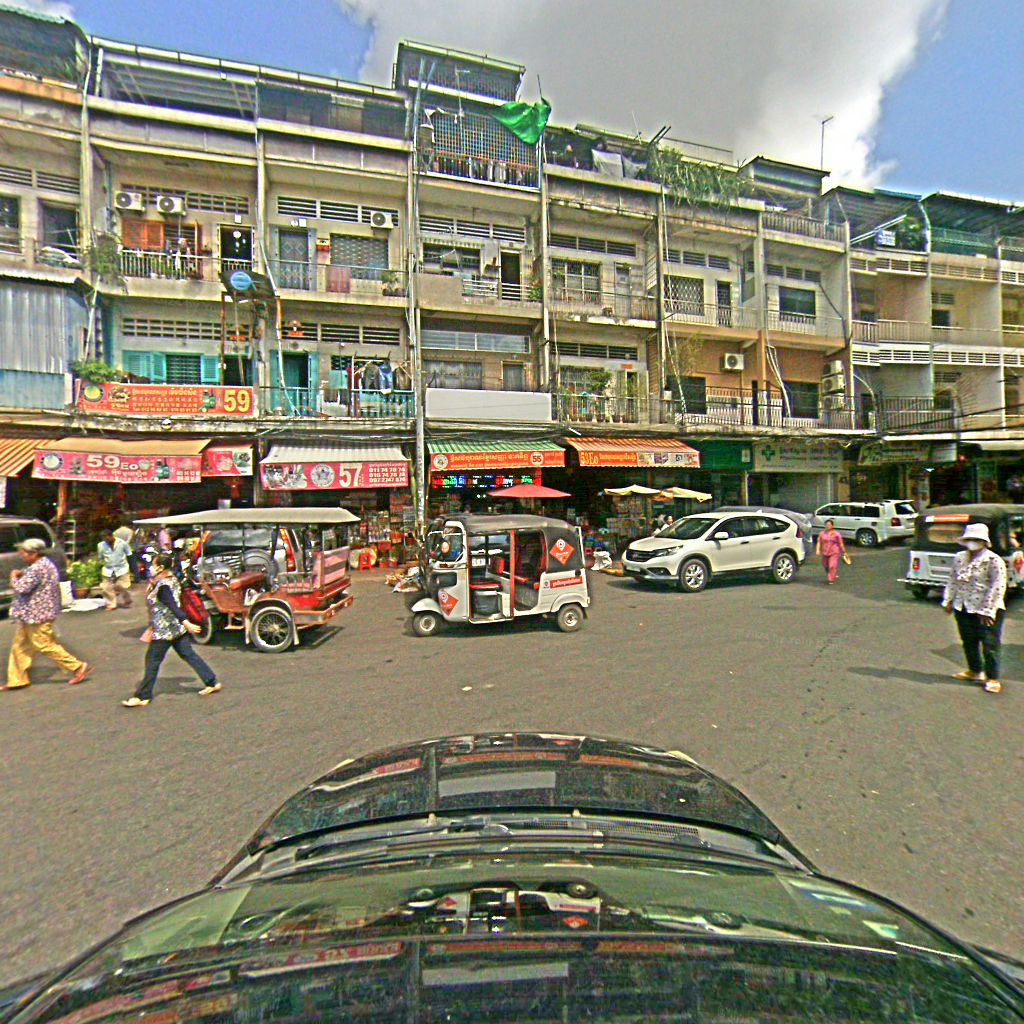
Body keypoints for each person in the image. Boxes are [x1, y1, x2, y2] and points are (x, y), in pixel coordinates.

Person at [123, 553, 219, 708]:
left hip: (164, 631)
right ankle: (211, 681)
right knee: (188, 655)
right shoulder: (171, 580)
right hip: (176, 630)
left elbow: (173, 606)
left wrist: (186, 623)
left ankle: (142, 696)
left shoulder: (163, 587)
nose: (151, 568)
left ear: (160, 568)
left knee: (152, 661)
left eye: (154, 565)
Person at [2, 538, 91, 691]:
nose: (21, 556)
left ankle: (76, 666)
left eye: (23, 553)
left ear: (33, 553)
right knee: (20, 647)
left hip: (37, 614)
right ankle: (17, 679)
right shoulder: (45, 564)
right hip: (33, 613)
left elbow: (21, 588)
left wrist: (13, 576)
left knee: (44, 644)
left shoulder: (37, 568)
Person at [941, 522, 1007, 694]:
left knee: (990, 644)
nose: (972, 543)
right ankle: (975, 670)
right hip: (963, 606)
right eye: (970, 539)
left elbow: (998, 586)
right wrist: (948, 600)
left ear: (984, 542)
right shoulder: (959, 557)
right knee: (968, 640)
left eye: (976, 540)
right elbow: (953, 579)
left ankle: (992, 677)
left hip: (986, 609)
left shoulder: (993, 560)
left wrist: (987, 610)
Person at [98, 528, 133, 611]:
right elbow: (100, 557)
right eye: (104, 539)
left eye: (107, 539)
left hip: (122, 568)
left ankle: (127, 599)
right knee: (106, 587)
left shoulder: (122, 543)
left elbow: (129, 554)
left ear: (111, 536)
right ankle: (111, 604)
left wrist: (132, 569)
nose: (106, 541)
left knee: (122, 586)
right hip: (108, 569)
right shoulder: (101, 545)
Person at [815, 519, 848, 585]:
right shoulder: (822, 533)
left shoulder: (836, 534)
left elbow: (841, 543)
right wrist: (817, 550)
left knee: (832, 566)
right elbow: (819, 542)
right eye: (826, 525)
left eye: (829, 525)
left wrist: (844, 552)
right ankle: (832, 573)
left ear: (832, 526)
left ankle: (831, 579)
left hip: (834, 552)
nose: (827, 526)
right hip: (825, 552)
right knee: (825, 565)